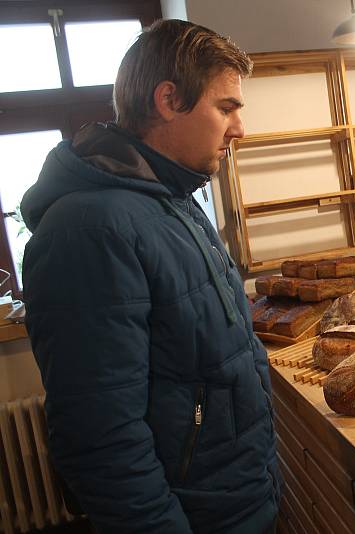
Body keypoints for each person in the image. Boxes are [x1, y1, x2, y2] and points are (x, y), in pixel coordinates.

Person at [21, 19, 280, 533]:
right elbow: (101, 437)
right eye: (225, 107)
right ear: (168, 99)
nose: (239, 128)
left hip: (236, 496)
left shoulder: (173, 199)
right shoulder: (89, 229)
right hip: (193, 514)